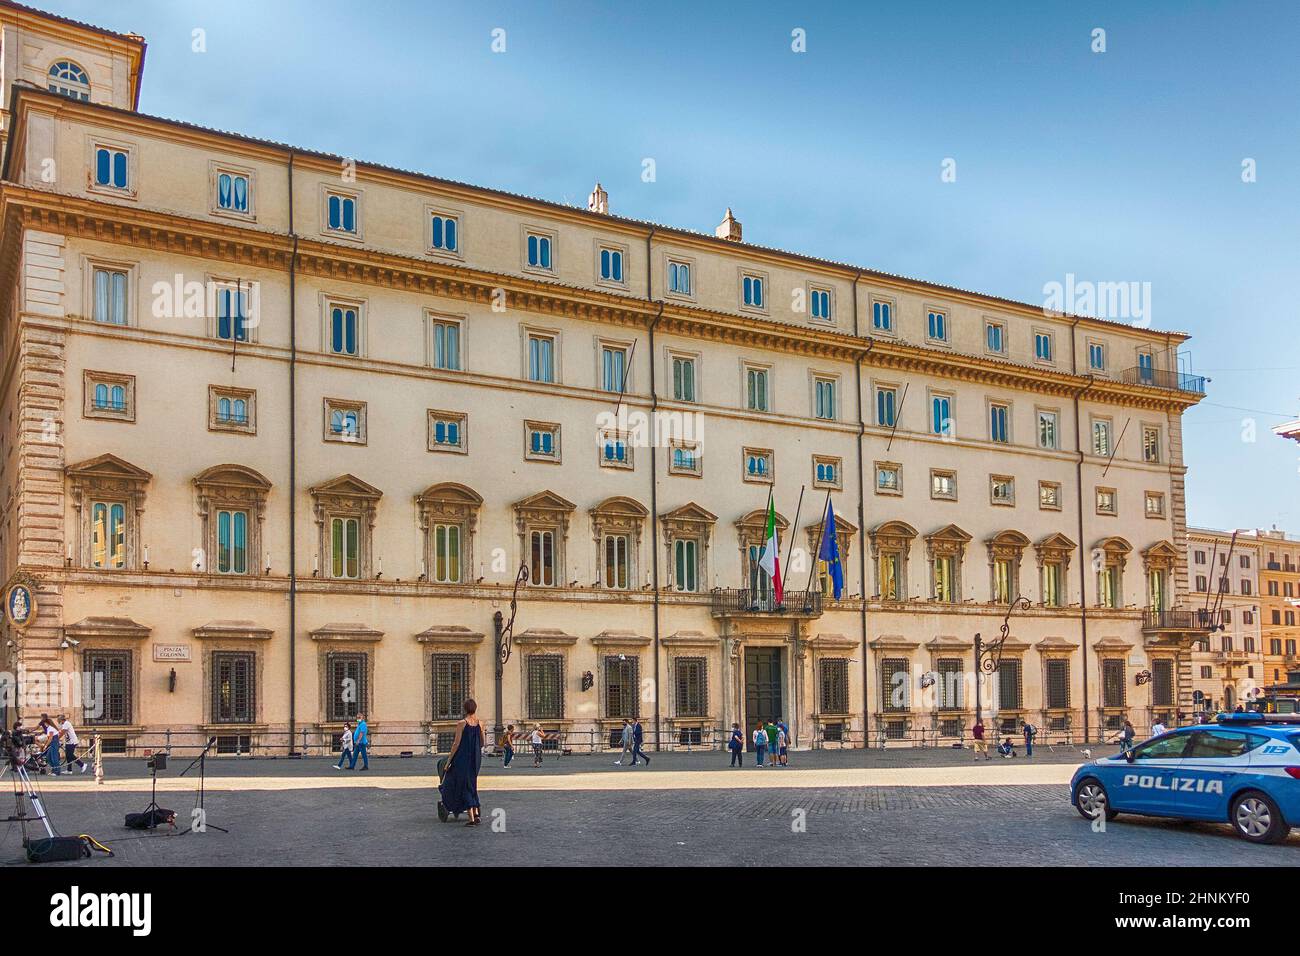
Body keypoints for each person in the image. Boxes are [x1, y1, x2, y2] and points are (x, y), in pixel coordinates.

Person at [438, 698, 483, 826]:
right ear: (475, 708)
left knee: (462, 784)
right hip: (476, 758)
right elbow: (482, 742)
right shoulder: (480, 723)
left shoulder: (462, 723)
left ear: (465, 709)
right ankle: (475, 814)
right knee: (472, 783)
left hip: (463, 758)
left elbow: (456, 744)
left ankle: (471, 819)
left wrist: (448, 762)